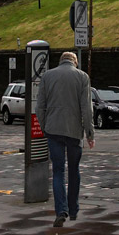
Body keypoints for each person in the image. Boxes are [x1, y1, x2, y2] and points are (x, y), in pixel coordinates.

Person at [35, 50, 94, 227]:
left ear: (61, 61)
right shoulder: (82, 77)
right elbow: (87, 109)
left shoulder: (47, 76)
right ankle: (74, 209)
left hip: (54, 130)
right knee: (74, 170)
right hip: (74, 132)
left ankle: (61, 210)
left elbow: (40, 107)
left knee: (58, 171)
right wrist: (89, 133)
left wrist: (45, 127)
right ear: (74, 62)